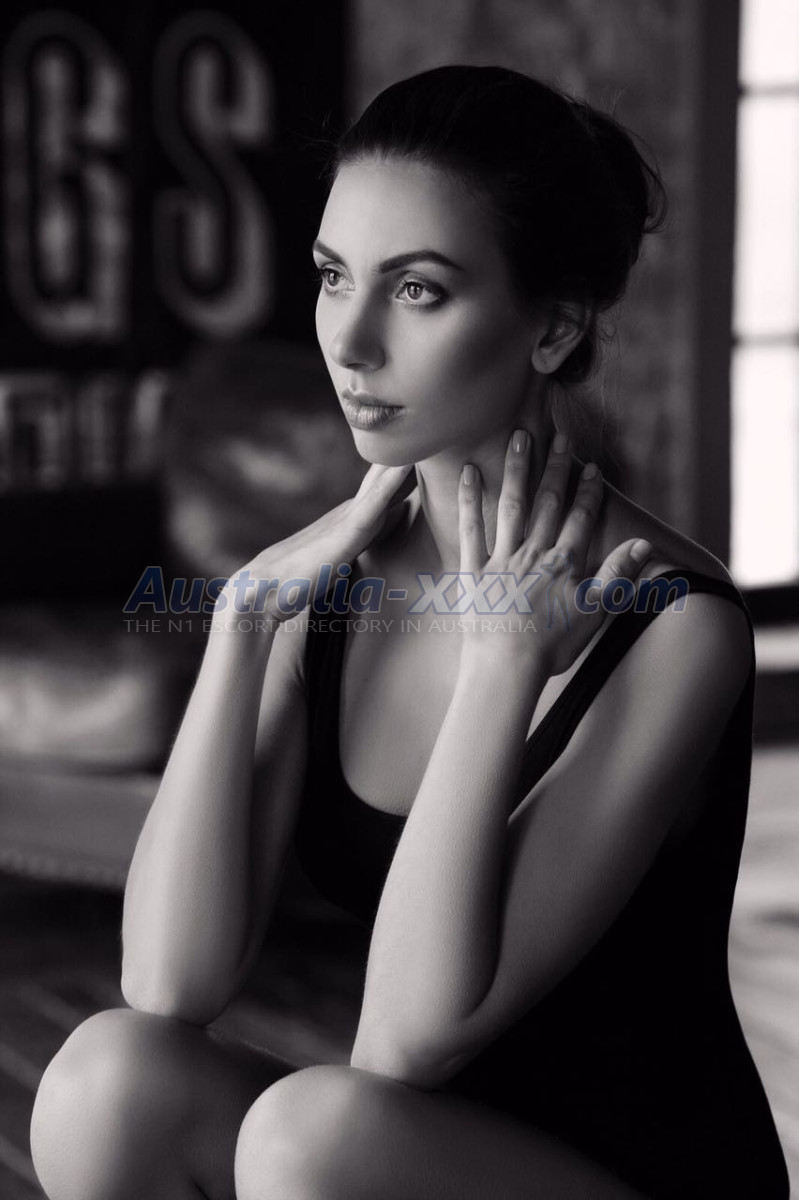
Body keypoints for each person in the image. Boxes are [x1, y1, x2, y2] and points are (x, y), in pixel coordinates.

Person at [30, 65, 789, 1200]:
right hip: (408, 1157)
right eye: (334, 276)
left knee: (312, 1139)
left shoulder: (670, 625)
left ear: (551, 328)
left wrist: (500, 666)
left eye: (419, 290)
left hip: (631, 1176)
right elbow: (168, 983)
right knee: (111, 1079)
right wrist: (242, 625)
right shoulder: (333, 585)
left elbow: (404, 1042)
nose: (350, 341)